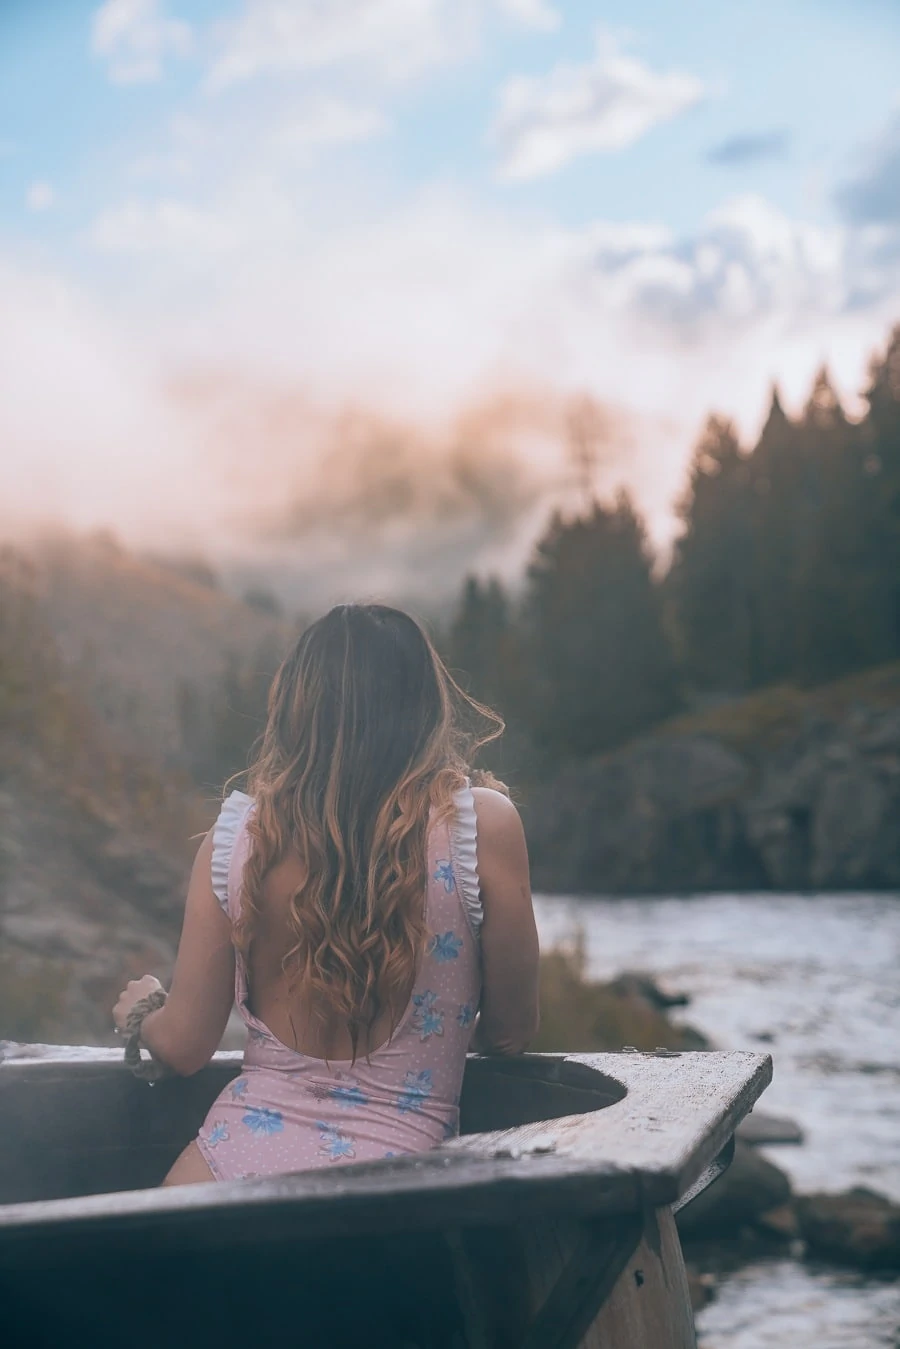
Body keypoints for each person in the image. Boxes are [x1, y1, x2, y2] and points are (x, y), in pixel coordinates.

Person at [113, 603, 539, 1186]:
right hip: (385, 1194)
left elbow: (184, 1043)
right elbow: (513, 1030)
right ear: (424, 706)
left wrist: (141, 1010)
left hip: (215, 1178)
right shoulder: (479, 827)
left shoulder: (237, 840)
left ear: (294, 711)